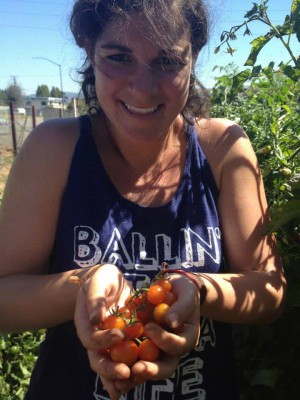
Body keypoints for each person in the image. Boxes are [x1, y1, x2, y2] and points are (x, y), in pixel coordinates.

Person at [0, 0, 286, 399]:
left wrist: (196, 289)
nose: (144, 87)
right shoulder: (54, 149)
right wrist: (82, 287)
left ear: (194, 58)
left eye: (168, 61)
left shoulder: (223, 148)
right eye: (118, 57)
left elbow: (269, 290)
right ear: (88, 49)